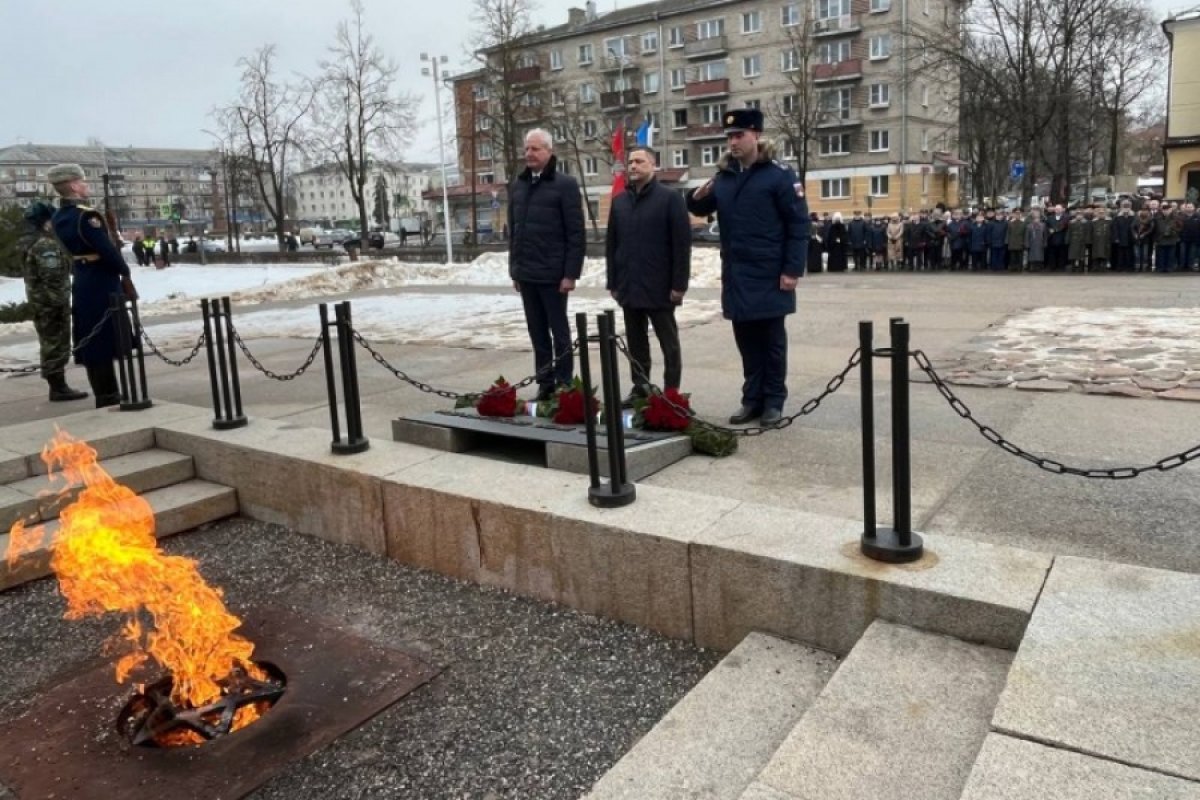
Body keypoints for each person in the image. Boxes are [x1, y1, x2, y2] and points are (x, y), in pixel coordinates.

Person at [685, 107, 808, 427]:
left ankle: (773, 401)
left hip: (769, 272)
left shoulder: (779, 175)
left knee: (771, 343)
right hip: (737, 274)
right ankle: (751, 399)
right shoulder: (725, 176)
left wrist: (792, 269)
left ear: (756, 135)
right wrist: (698, 192)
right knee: (746, 342)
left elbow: (798, 225)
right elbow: (698, 205)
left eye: (739, 135)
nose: (733, 142)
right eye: (729, 137)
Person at [47, 162, 137, 408]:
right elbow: (107, 251)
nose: (86, 186)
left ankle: (104, 392)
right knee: (104, 338)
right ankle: (109, 395)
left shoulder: (59, 217)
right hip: (101, 280)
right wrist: (124, 269)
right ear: (74, 185)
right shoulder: (87, 216)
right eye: (83, 182)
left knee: (92, 338)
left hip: (83, 278)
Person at [605, 147, 691, 401]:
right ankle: (640, 386)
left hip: (660, 285)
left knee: (669, 343)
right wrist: (613, 280)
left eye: (639, 161)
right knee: (636, 341)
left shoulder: (670, 198)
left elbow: (681, 245)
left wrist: (679, 284)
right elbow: (612, 244)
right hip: (629, 285)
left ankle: (671, 393)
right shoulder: (620, 201)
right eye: (630, 162)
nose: (633, 166)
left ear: (653, 165)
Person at [507, 128, 585, 401]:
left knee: (559, 331)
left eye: (536, 149)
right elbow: (515, 231)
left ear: (549, 152)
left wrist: (570, 273)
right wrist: (514, 270)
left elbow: (575, 233)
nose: (529, 154)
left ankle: (564, 384)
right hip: (527, 273)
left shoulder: (565, 185)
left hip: (554, 275)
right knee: (537, 332)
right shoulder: (518, 186)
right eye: (527, 149)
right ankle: (545, 383)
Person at [19, 202, 89, 402]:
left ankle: (57, 385)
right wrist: (62, 304)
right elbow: (52, 278)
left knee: (50, 344)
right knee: (55, 345)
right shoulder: (45, 245)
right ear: (45, 222)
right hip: (52, 306)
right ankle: (58, 387)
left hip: (42, 304)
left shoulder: (30, 242)